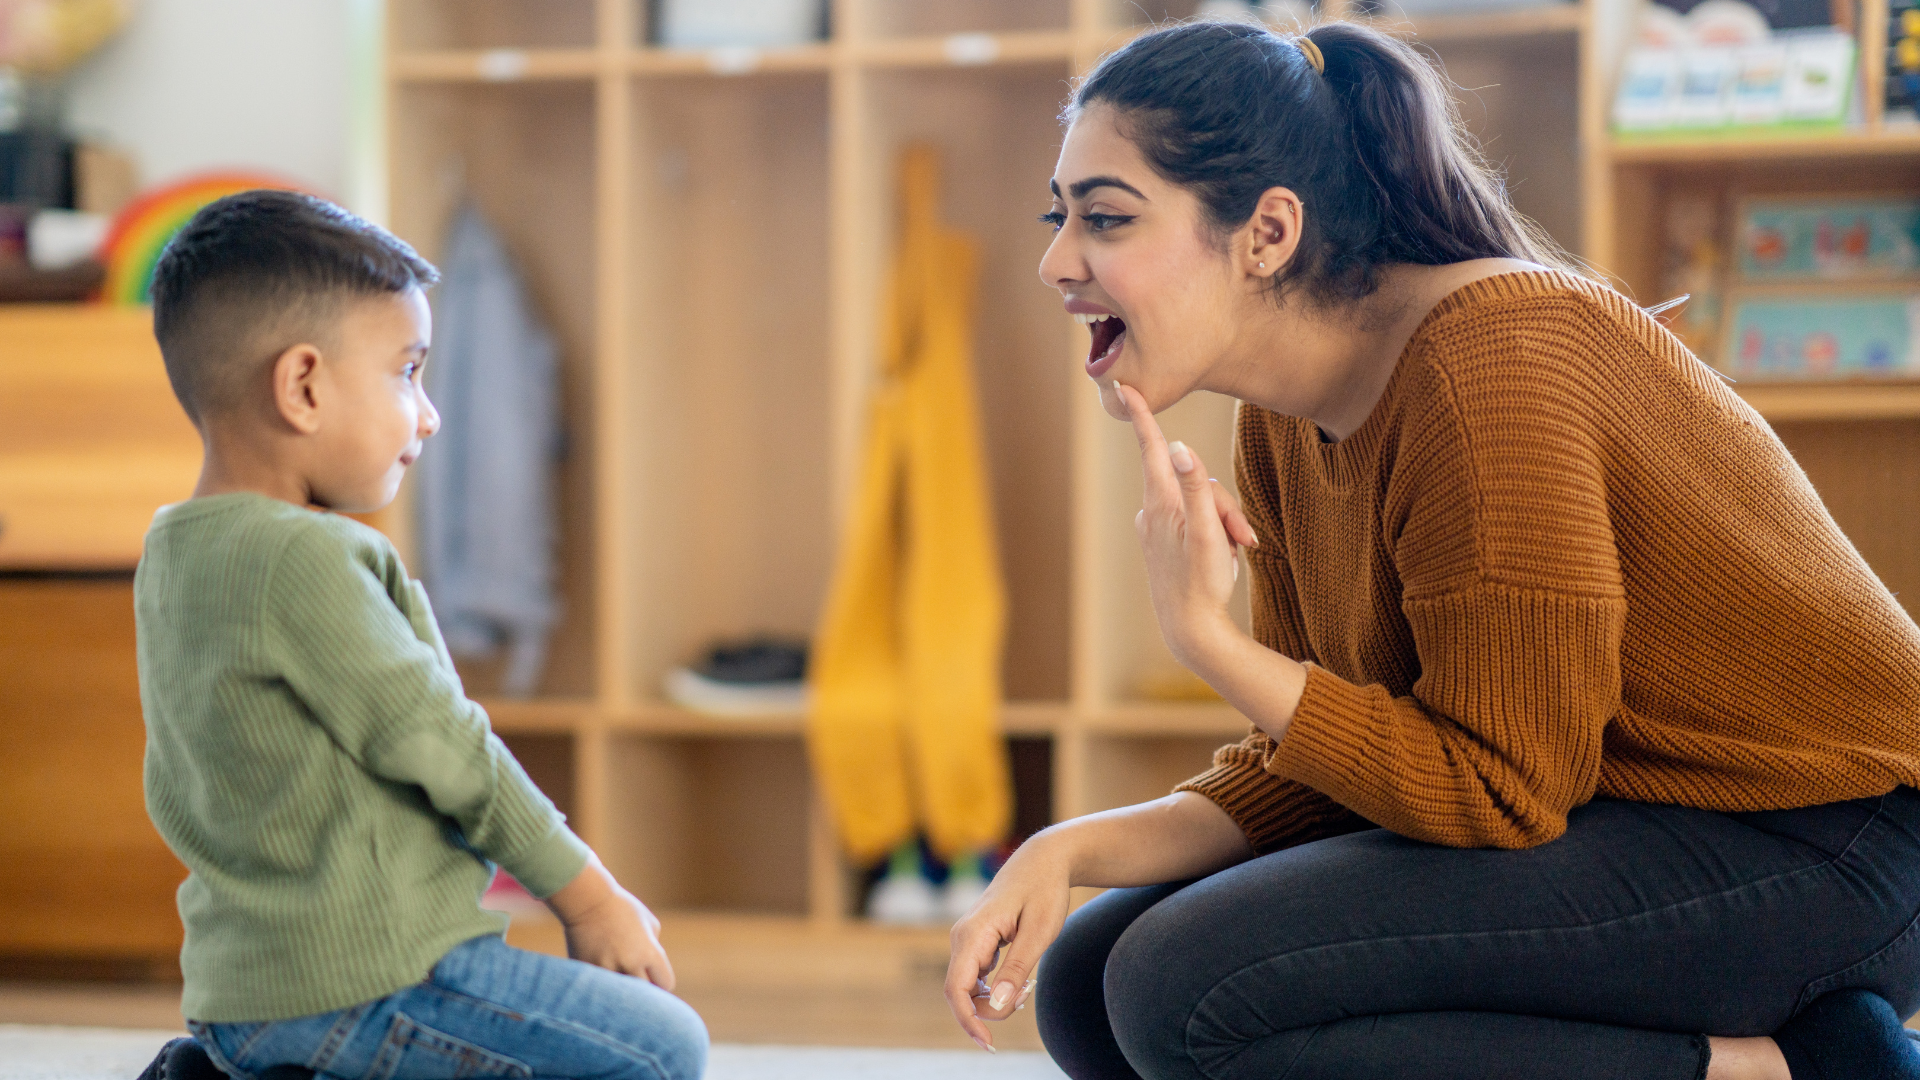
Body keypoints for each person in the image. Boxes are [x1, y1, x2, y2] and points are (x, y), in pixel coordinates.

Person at [945, 20, 1920, 1080]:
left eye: (1106, 218)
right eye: (1061, 216)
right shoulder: (1285, 413)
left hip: (1835, 852)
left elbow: (1502, 790)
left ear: (1267, 232)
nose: (1055, 261)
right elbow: (1339, 768)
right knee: (1093, 982)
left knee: (1183, 986)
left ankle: (1793, 1069)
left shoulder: (1484, 367)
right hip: (1631, 822)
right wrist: (1065, 850)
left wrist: (1207, 640)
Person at [130, 191, 706, 1080]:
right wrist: (590, 900)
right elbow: (450, 749)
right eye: (407, 371)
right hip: (367, 985)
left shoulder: (176, 550)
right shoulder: (306, 558)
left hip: (241, 994)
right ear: (304, 386)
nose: (429, 415)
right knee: (661, 1050)